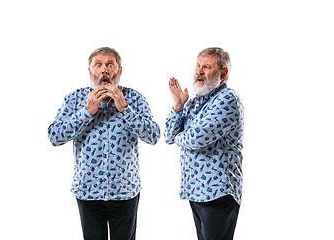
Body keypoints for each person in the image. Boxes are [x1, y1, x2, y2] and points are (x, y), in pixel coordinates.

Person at [48, 47, 160, 240]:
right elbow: (54, 137)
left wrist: (125, 109)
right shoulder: (75, 99)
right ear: (90, 70)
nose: (104, 70)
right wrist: (86, 112)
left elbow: (153, 136)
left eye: (110, 65)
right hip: (87, 191)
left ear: (119, 70)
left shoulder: (134, 98)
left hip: (125, 192)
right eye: (98, 65)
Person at [164, 47, 244, 240]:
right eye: (198, 65)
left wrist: (180, 135)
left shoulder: (227, 99)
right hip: (196, 191)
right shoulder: (193, 103)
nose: (199, 71)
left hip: (218, 193)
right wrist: (178, 106)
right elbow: (167, 136)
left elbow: (195, 139)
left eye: (206, 67)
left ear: (223, 73)